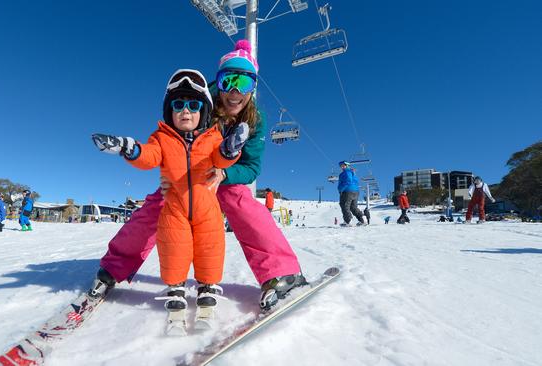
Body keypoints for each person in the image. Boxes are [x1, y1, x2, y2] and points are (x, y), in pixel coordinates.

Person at [88, 40, 306, 313]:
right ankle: (113, 267)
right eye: (229, 81)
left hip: (222, 178)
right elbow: (170, 137)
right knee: (157, 207)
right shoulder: (199, 101)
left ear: (253, 88)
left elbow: (252, 167)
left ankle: (282, 272)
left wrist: (224, 173)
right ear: (219, 83)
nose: (235, 91)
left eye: (244, 83)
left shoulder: (254, 120)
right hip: (185, 178)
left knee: (242, 203)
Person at [92, 69, 246, 332]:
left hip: (207, 209)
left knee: (210, 248)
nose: (185, 111)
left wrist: (231, 148)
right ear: (169, 110)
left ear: (204, 111)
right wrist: (130, 148)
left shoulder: (212, 138)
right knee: (174, 248)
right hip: (173, 210)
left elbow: (221, 159)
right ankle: (176, 288)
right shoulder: (161, 138)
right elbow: (149, 156)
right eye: (178, 104)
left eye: (193, 105)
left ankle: (207, 287)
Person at [337, 161, 366, 226]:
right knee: (353, 207)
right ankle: (362, 219)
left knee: (344, 205)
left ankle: (348, 220)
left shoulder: (346, 172)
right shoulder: (353, 173)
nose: (341, 167)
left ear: (347, 165)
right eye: (341, 165)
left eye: (343, 165)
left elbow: (348, 181)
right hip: (355, 191)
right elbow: (355, 182)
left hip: (347, 191)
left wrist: (341, 189)